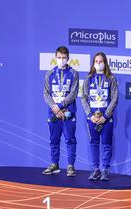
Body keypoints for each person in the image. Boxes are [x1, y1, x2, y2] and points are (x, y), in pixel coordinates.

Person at [81, 52, 118, 181]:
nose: (98, 64)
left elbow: (114, 98)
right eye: (96, 61)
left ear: (105, 63)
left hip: (106, 119)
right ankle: (95, 169)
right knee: (94, 143)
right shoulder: (88, 78)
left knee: (107, 144)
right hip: (92, 119)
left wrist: (106, 115)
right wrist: (90, 115)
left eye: (101, 61)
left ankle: (105, 170)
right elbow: (84, 98)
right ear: (93, 63)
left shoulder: (111, 78)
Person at [42, 46, 79, 176]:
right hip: (53, 113)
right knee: (54, 140)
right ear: (55, 58)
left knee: (70, 139)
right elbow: (46, 93)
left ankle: (70, 166)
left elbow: (74, 93)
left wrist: (61, 106)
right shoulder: (49, 74)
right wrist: (54, 107)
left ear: (68, 58)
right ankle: (54, 164)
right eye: (59, 57)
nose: (61, 60)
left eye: (64, 58)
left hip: (68, 112)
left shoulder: (74, 73)